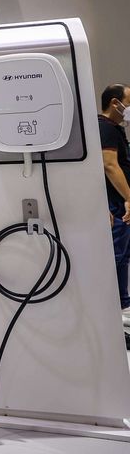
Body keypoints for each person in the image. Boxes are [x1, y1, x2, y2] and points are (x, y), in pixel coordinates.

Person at [97, 84, 130, 326]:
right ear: (114, 103)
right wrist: (129, 198)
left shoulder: (115, 129)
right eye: (128, 102)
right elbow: (109, 166)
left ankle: (122, 308)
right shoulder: (105, 128)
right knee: (115, 258)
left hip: (119, 204)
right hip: (117, 205)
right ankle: (111, 318)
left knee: (122, 258)